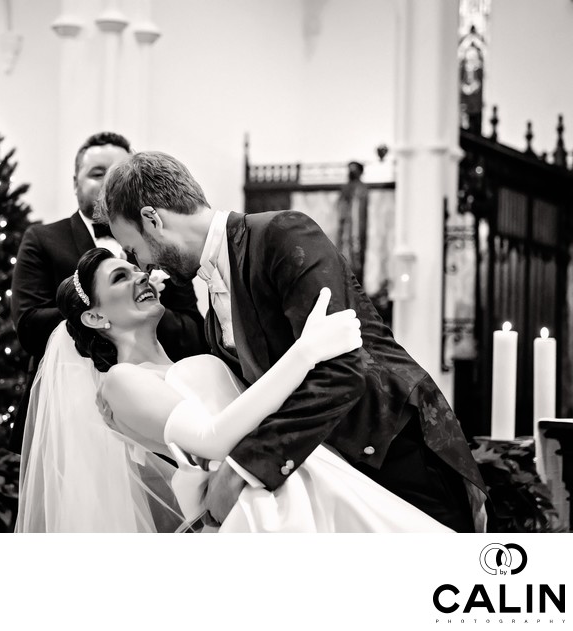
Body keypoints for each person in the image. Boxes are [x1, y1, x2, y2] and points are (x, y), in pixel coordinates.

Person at [97, 151, 489, 532]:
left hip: (397, 454)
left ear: (152, 220)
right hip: (332, 477)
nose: (144, 264)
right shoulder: (214, 299)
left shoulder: (281, 234)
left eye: (134, 249)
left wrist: (242, 468)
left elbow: (342, 370)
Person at [16, 248, 451, 532]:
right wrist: (303, 355)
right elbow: (211, 441)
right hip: (254, 511)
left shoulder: (183, 361)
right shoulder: (120, 381)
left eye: (137, 268)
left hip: (290, 474)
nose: (140, 277)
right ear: (95, 318)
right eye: (119, 278)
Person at [8, 132, 205, 453]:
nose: (106, 183)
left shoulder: (160, 241)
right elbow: (29, 327)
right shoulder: (43, 239)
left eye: (117, 174)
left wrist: (146, 307)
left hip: (154, 405)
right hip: (66, 412)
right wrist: (100, 306)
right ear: (75, 182)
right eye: (97, 173)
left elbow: (194, 333)